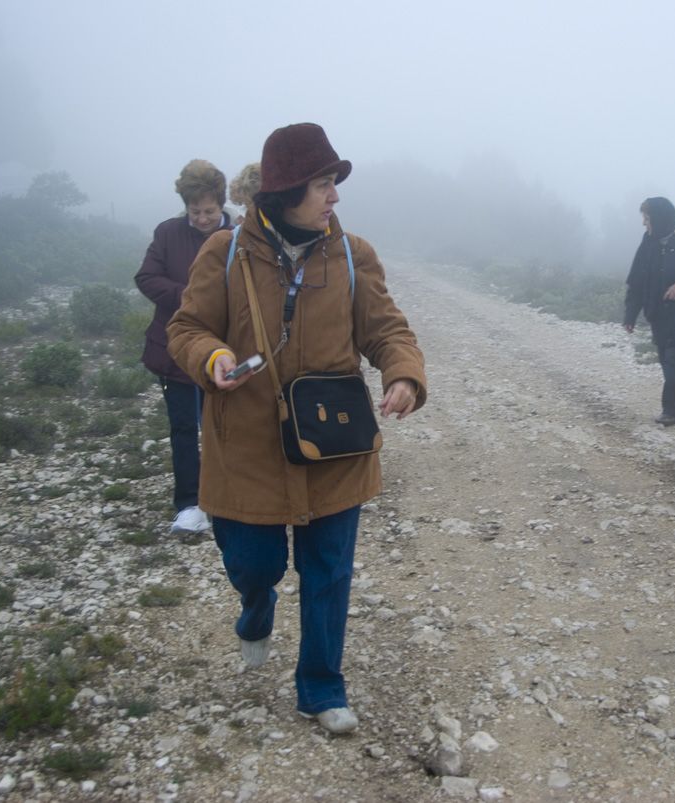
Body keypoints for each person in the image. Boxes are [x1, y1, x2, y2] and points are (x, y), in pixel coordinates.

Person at [167, 123, 426, 734]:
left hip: (334, 444)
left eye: (334, 183)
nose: (334, 196)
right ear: (285, 193)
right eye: (322, 184)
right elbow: (186, 329)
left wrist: (404, 374)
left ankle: (321, 688)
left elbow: (387, 329)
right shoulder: (225, 252)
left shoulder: (353, 255)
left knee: (329, 572)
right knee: (253, 564)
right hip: (246, 447)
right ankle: (255, 609)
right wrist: (212, 357)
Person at [136, 159, 232, 536]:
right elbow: (146, 277)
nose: (203, 218)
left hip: (226, 352)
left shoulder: (241, 236)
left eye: (210, 211)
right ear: (185, 206)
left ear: (221, 203)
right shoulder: (167, 233)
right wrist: (190, 298)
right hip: (174, 350)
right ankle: (190, 505)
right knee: (183, 428)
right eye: (195, 212)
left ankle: (226, 499)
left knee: (225, 427)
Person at [624, 197, 675, 426]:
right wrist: (630, 315)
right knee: (668, 362)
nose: (644, 223)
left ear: (660, 218)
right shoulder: (648, 242)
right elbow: (637, 280)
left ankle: (671, 411)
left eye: (647, 218)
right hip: (658, 317)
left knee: (672, 360)